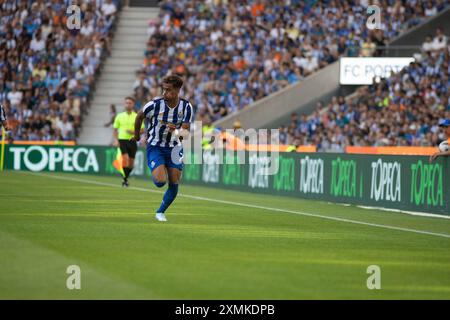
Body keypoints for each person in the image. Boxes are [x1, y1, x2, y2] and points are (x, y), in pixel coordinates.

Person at [132, 75, 194, 222]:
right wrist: (136, 136)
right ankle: (159, 166)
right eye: (163, 89)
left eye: (168, 90)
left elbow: (185, 134)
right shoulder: (154, 104)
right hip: (155, 146)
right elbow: (139, 116)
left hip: (174, 147)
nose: (164, 93)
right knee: (160, 182)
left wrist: (176, 131)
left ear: (178, 90)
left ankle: (160, 212)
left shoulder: (186, 107)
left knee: (174, 182)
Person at [113, 97, 143, 187]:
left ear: (133, 104)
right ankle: (125, 179)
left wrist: (133, 132)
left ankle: (125, 178)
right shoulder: (119, 116)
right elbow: (115, 129)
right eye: (126, 103)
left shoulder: (137, 116)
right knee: (125, 159)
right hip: (122, 140)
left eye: (130, 103)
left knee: (131, 163)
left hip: (133, 140)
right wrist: (115, 140)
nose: (128, 104)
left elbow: (142, 130)